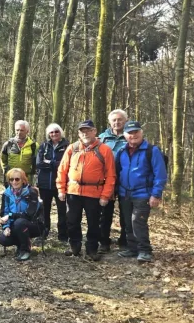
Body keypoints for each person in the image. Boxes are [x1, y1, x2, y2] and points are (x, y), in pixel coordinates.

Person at [57, 120, 116, 261]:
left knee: (94, 223)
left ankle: (92, 249)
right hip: (73, 191)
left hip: (94, 192)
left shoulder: (104, 150)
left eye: (88, 130)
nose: (85, 134)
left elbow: (111, 175)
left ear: (94, 131)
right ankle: (74, 247)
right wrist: (61, 189)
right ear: (79, 133)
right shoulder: (72, 148)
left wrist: (105, 195)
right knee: (72, 221)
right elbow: (62, 170)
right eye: (82, 131)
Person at [116, 121, 167, 262]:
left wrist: (156, 194)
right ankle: (132, 249)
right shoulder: (121, 151)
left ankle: (145, 250)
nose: (133, 135)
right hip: (124, 193)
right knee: (127, 222)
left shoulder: (152, 151)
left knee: (138, 222)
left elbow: (160, 174)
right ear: (125, 135)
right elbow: (117, 172)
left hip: (143, 194)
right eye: (130, 133)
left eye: (136, 132)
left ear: (141, 133)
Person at [98, 109, 129, 252]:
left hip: (125, 180)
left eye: (120, 119)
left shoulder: (131, 136)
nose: (117, 122)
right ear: (110, 122)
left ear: (125, 121)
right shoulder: (102, 138)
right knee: (104, 212)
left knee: (126, 213)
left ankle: (125, 241)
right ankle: (104, 242)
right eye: (114, 120)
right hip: (106, 181)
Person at [0, 169, 41, 261]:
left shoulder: (32, 192)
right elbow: (4, 213)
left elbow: (28, 214)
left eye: (17, 179)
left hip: (33, 224)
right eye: (11, 179)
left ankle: (25, 250)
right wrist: (6, 227)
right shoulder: (6, 194)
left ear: (23, 180)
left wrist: (10, 215)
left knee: (19, 223)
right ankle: (20, 244)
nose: (14, 182)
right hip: (15, 225)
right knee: (3, 239)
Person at [36, 123, 69, 242]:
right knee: (44, 210)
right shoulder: (43, 146)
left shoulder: (67, 146)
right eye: (51, 132)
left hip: (61, 184)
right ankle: (43, 233)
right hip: (44, 184)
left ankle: (63, 236)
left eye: (56, 131)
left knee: (62, 211)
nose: (54, 134)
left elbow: (67, 164)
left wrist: (49, 162)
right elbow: (39, 164)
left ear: (61, 132)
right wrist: (56, 164)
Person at [1, 120, 37, 185]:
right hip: (12, 178)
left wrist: (34, 175)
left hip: (27, 178)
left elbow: (36, 162)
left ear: (27, 131)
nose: (19, 132)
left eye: (22, 130)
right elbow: (3, 159)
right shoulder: (8, 144)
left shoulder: (33, 145)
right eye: (17, 130)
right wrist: (5, 170)